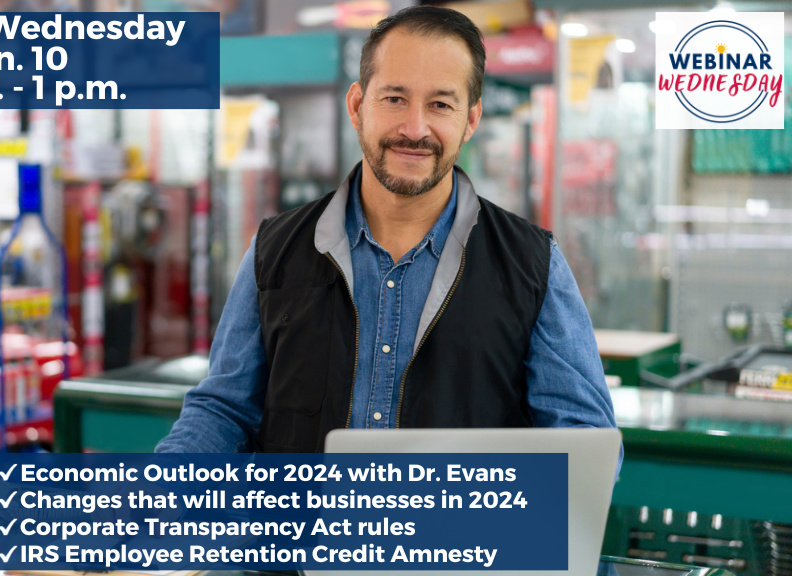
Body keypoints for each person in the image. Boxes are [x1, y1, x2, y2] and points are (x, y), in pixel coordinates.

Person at [156, 6, 618, 454]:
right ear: (358, 105)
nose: (414, 128)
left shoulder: (532, 264)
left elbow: (585, 441)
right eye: (395, 99)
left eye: (440, 104)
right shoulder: (274, 250)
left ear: (470, 120)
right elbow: (224, 411)